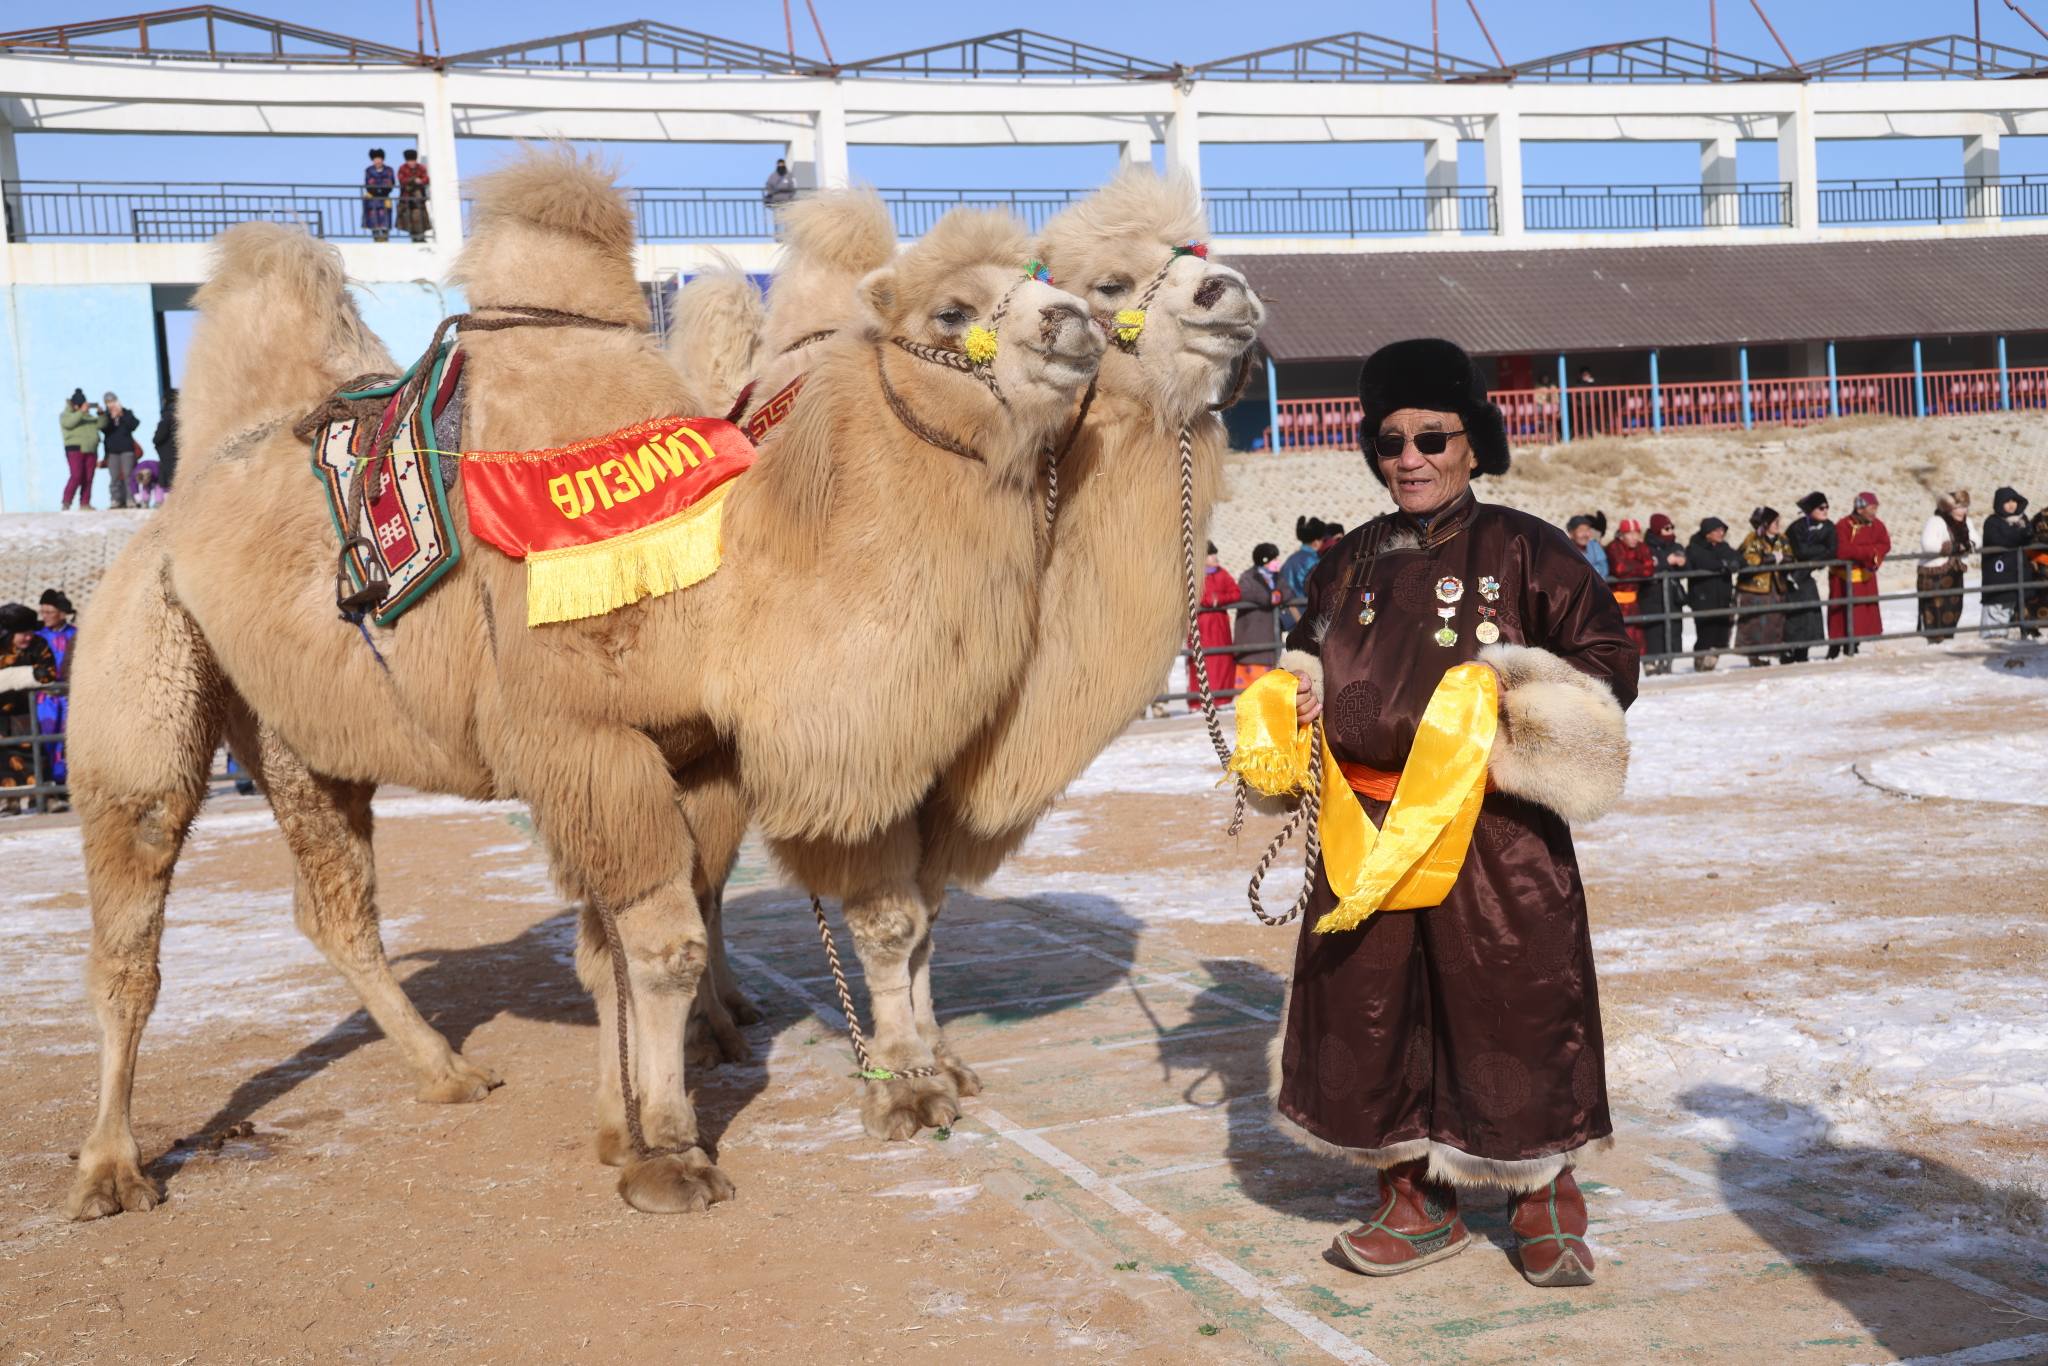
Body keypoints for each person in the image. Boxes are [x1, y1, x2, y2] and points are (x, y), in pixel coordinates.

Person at [1273, 337, 1635, 1290]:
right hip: (1367, 832)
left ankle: (1543, 1199)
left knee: (1513, 1004)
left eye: (1432, 437)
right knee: (1376, 1011)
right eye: (1390, 441)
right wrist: (1297, 694)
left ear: (1473, 441)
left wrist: (1507, 702)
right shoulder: (1346, 561)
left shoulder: (1529, 549)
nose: (1411, 458)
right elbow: (1305, 651)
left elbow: (1608, 662)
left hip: (1494, 836)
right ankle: (1416, 1199)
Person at [0, 602, 58, 813]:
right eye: (22, 633)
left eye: (30, 632)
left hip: (24, 712)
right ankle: (8, 801)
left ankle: (45, 797)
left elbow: (48, 674)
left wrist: (13, 677)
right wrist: (26, 675)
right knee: (2, 758)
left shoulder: (38, 645)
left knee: (33, 754)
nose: (28, 637)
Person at [1828, 492, 1889, 656]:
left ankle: (1854, 645)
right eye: (1872, 508)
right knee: (1841, 614)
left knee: (1861, 617)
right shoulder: (1843, 525)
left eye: (1876, 508)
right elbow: (1842, 550)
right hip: (1844, 579)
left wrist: (1873, 556)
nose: (1875, 512)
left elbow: (1884, 544)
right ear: (1860, 509)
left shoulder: (1877, 525)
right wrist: (1869, 553)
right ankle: (1835, 648)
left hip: (1865, 577)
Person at [1782, 492, 1835, 663]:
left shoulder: (1829, 527)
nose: (1825, 510)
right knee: (1793, 616)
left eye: (1827, 507)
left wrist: (1815, 557)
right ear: (1810, 510)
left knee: (1810, 614)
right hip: (1791, 577)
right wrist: (1821, 550)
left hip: (1807, 577)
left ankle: (1803, 652)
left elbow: (1833, 550)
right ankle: (1787, 653)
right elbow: (1800, 551)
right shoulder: (1797, 527)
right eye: (1821, 507)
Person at [1735, 507, 1791, 666]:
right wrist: (1772, 558)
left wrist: (1780, 558)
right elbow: (1750, 559)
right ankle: (1754, 656)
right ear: (1765, 524)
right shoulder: (1752, 538)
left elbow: (1790, 556)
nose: (1778, 524)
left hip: (1775, 586)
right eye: (1774, 521)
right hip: (1754, 588)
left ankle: (1771, 653)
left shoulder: (1782, 539)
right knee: (1754, 623)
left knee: (1775, 621)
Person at [1683, 517, 1741, 670]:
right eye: (1717, 530)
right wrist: (1723, 564)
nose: (1721, 533)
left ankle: (1711, 663)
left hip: (1723, 596)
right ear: (1707, 533)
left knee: (1721, 633)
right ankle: (1699, 661)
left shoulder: (1724, 547)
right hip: (1703, 598)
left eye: (1722, 530)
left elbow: (1738, 558)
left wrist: (1733, 563)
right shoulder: (1694, 547)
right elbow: (1702, 562)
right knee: (1705, 632)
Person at [1917, 490, 1973, 645]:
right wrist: (1952, 547)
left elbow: (1976, 541)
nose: (1963, 511)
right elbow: (1928, 544)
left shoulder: (1966, 523)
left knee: (1953, 608)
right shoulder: (1935, 521)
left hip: (1954, 573)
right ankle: (1934, 640)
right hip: (1934, 574)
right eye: (1959, 507)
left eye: (1965, 507)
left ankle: (1948, 638)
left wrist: (1967, 545)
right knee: (1934, 609)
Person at [1188, 541, 1239, 709]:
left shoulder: (1222, 573)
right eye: (1210, 555)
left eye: (1214, 554)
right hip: (1201, 626)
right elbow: (1191, 595)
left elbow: (1236, 592)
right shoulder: (1193, 575)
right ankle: (1198, 701)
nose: (1214, 557)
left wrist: (1219, 599)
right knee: (1200, 662)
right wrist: (1209, 600)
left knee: (1222, 661)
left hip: (1220, 626)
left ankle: (1221, 699)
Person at [33, 590, 75, 790]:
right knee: (45, 739)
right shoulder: (37, 637)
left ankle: (68, 785)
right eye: (42, 612)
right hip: (45, 699)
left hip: (69, 697)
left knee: (69, 740)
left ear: (62, 613)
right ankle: (50, 785)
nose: (45, 616)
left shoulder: (76, 635)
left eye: (49, 612)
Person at [1981, 487, 2031, 640]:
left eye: (2014, 501)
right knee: (1996, 611)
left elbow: (2030, 537)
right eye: (2007, 501)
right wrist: (2021, 536)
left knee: (2015, 610)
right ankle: (1991, 642)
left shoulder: (2023, 520)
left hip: (2018, 576)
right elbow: (1998, 540)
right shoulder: (1992, 522)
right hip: (1999, 576)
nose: (2011, 505)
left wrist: (2024, 535)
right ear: (1999, 503)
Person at [1234, 543, 1285, 687]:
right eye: (1274, 559)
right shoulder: (1248, 577)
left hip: (1270, 636)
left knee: (1270, 685)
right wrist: (1269, 598)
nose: (1277, 562)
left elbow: (1288, 591)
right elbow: (1245, 593)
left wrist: (1280, 595)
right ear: (1264, 560)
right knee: (1251, 686)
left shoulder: (1277, 577)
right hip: (1252, 635)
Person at [1641, 513, 1687, 674]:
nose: (1671, 531)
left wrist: (1682, 562)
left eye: (1672, 527)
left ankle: (1668, 662)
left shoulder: (1676, 546)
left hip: (1672, 596)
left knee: (1673, 627)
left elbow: (1687, 566)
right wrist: (1666, 562)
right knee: (1654, 629)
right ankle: (1650, 663)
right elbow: (1647, 567)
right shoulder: (1646, 547)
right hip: (1651, 596)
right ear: (1657, 530)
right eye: (1666, 528)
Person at [1605, 519, 1657, 656]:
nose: (1634, 537)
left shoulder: (1642, 547)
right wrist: (1639, 566)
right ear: (1622, 535)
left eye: (1637, 533)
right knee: (1620, 639)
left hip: (1633, 602)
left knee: (1637, 639)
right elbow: (1619, 568)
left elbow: (1650, 568)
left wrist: (1631, 566)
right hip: (1616, 604)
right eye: (1630, 533)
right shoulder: (1614, 547)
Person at [97, 392, 142, 509]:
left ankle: (130, 499)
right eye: (108, 402)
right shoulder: (105, 416)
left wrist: (121, 415)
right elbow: (102, 428)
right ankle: (116, 500)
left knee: (128, 476)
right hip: (112, 452)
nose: (111, 404)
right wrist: (108, 417)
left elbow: (134, 425)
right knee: (114, 477)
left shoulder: (127, 413)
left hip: (127, 450)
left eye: (112, 401)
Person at [60, 389, 101, 511]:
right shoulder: (66, 415)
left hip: (91, 449)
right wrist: (81, 412)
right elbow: (69, 423)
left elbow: (101, 425)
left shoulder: (89, 417)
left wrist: (102, 414)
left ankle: (85, 503)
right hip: (75, 449)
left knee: (88, 477)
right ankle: (66, 502)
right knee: (76, 475)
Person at [1278, 516, 1326, 616]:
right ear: (1316, 542)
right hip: (1304, 613)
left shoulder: (1290, 559)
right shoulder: (1313, 562)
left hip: (1287, 613)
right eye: (1322, 540)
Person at [396, 149, 431, 243]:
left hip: (419, 201)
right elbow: (402, 180)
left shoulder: (421, 168)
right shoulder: (402, 168)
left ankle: (420, 237)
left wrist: (420, 181)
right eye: (409, 161)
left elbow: (426, 179)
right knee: (408, 219)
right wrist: (413, 180)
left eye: (413, 160)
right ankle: (414, 237)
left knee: (419, 218)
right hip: (406, 200)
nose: (411, 163)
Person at [362, 148, 395, 243]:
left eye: (379, 159)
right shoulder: (369, 170)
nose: (377, 161)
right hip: (372, 199)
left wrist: (382, 189)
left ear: (382, 159)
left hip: (385, 197)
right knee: (374, 218)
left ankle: (385, 235)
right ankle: (376, 236)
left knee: (385, 218)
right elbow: (368, 183)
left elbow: (390, 183)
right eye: (375, 159)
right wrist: (377, 189)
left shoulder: (389, 170)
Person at [2025, 505, 2048, 637]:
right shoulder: (2041, 517)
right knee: (2038, 598)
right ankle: (2031, 629)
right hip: (2041, 563)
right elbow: (2034, 538)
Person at [152, 388, 179, 494]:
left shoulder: (167, 415)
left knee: (172, 481)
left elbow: (159, 436)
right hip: (179, 452)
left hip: (168, 454)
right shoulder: (181, 414)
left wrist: (155, 440)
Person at [1566, 514, 1608, 579]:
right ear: (1571, 533)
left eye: (1587, 530)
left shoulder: (1594, 545)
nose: (1585, 534)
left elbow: (1604, 568)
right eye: (1581, 530)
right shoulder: (1566, 549)